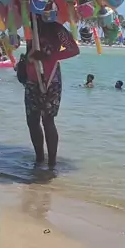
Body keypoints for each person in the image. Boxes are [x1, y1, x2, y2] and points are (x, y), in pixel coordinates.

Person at [24, 18, 79, 168]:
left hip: (50, 80)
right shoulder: (29, 27)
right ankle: (39, 160)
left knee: (48, 120)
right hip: (32, 80)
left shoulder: (57, 29)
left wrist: (49, 56)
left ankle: (52, 164)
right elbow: (29, 52)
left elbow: (73, 49)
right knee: (32, 120)